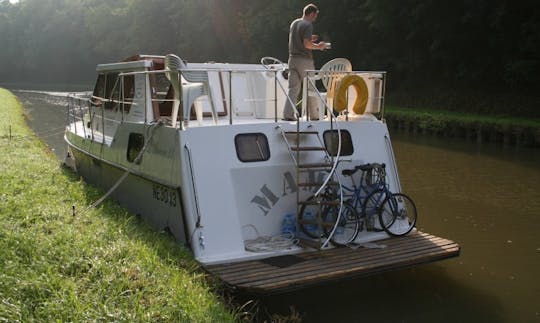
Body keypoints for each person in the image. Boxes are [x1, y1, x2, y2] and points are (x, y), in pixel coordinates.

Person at [283, 3, 328, 121]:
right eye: (315, 15)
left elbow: (299, 39)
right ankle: (314, 115)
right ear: (312, 13)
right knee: (311, 87)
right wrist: (319, 46)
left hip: (292, 59)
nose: (315, 18)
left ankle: (287, 114)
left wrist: (310, 38)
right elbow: (306, 44)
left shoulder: (295, 23)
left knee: (293, 89)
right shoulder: (308, 25)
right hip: (304, 61)